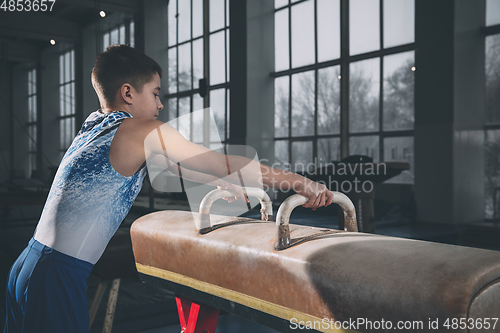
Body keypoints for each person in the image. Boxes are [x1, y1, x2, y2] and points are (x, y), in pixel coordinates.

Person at [4, 45, 333, 333]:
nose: (160, 105)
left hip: (27, 265)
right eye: (156, 93)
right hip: (57, 275)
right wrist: (300, 182)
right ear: (128, 93)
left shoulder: (94, 126)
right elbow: (219, 161)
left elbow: (178, 166)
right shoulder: (141, 128)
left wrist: (218, 182)